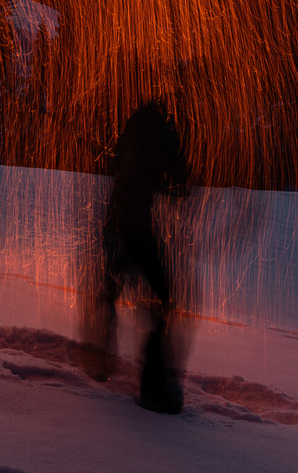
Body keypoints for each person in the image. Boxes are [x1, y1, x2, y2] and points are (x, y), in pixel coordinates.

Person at [82, 97, 191, 413]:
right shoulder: (158, 122)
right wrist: (175, 184)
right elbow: (167, 171)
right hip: (132, 228)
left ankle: (98, 361)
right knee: (163, 298)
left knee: (110, 292)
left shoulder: (139, 118)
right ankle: (153, 389)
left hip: (118, 224)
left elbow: (122, 162)